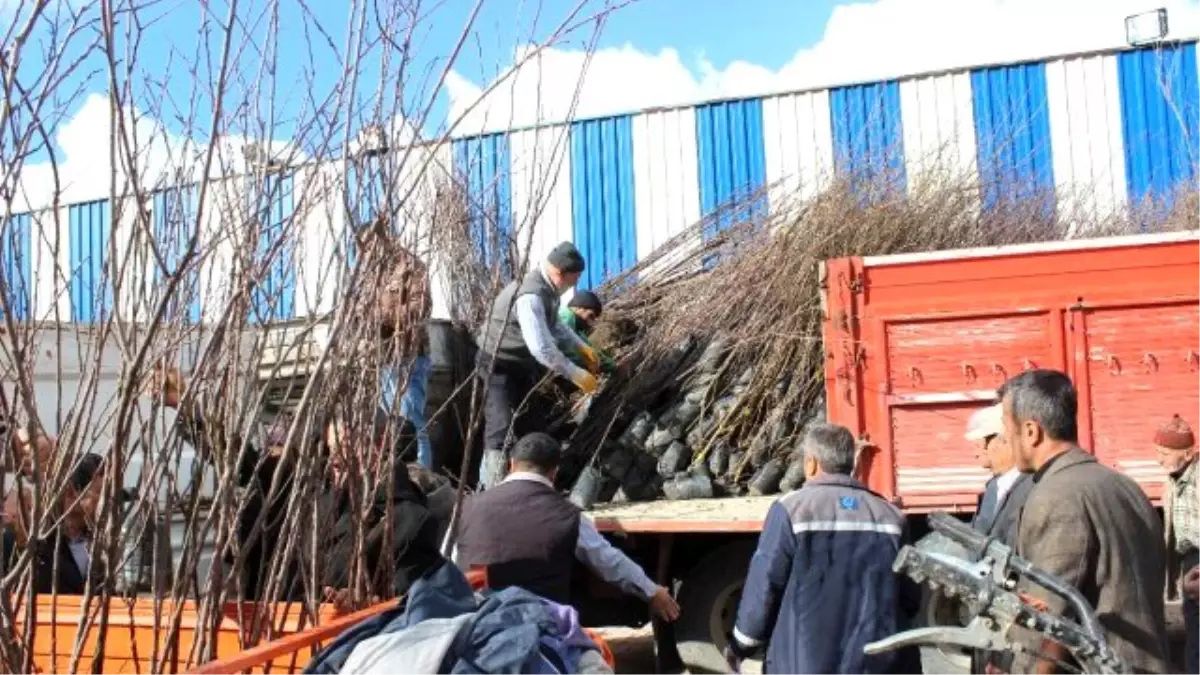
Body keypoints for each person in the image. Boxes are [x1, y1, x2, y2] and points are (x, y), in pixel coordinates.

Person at [999, 369, 1168, 674]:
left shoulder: (1056, 496)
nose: (1006, 440)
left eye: (1007, 430)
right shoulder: (1125, 486)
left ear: (1031, 432)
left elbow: (1050, 619)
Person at [725, 423, 921, 674]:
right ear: (852, 464)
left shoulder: (790, 510)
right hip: (876, 664)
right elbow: (909, 598)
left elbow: (765, 585)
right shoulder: (892, 516)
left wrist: (742, 645)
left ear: (811, 464)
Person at [451, 432, 679, 622]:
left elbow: (450, 564)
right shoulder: (568, 516)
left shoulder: (467, 508)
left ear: (511, 465)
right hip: (540, 628)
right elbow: (608, 561)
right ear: (554, 472)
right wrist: (652, 591)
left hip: (477, 623)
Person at [474, 242, 602, 488]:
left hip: (520, 364)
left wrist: (581, 347)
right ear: (558, 274)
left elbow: (554, 325)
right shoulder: (531, 294)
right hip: (497, 362)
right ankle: (491, 492)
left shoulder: (549, 290)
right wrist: (577, 374)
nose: (572, 287)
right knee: (500, 428)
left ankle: (530, 487)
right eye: (572, 280)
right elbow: (541, 347)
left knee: (530, 426)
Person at [364, 224, 435, 469]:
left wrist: (380, 315)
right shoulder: (372, 274)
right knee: (393, 426)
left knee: (411, 423)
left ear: (384, 241)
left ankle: (421, 479)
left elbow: (419, 308)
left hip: (409, 356)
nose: (366, 254)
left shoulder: (411, 268)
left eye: (370, 247)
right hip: (383, 358)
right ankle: (399, 480)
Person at [2, 449, 106, 594]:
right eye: (101, 493)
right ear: (70, 493)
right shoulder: (24, 539)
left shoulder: (101, 544)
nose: (109, 503)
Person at [1157, 414, 1200, 673]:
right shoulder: (1173, 479)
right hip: (1189, 560)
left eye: (1165, 452)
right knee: (1194, 630)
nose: (1159, 459)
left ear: (1186, 454)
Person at [967, 402, 1032, 545]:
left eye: (980, 446)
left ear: (1005, 441)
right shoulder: (992, 486)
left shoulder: (1034, 485)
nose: (975, 455)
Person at [557, 290, 616, 376]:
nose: (590, 323)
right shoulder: (566, 318)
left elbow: (589, 348)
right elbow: (564, 348)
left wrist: (611, 366)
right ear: (578, 308)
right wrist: (586, 365)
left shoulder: (575, 328)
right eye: (590, 316)